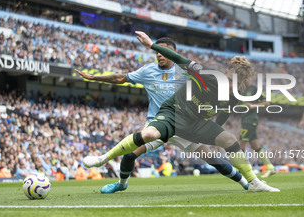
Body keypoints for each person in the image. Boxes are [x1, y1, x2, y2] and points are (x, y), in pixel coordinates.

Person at [83, 31, 280, 192]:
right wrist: (150, 45)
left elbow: (225, 113)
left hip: (193, 123)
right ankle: (117, 179)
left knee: (217, 154)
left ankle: (250, 183)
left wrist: (212, 130)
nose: (160, 54)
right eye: (159, 52)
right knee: (133, 151)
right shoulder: (151, 71)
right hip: (166, 117)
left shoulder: (195, 77)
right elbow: (122, 78)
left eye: (164, 51)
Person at [239, 84, 275, 178]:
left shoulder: (254, 89)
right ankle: (270, 167)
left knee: (241, 144)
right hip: (245, 119)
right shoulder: (239, 90)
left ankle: (241, 169)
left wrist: (253, 105)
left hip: (250, 120)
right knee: (255, 145)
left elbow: (267, 103)